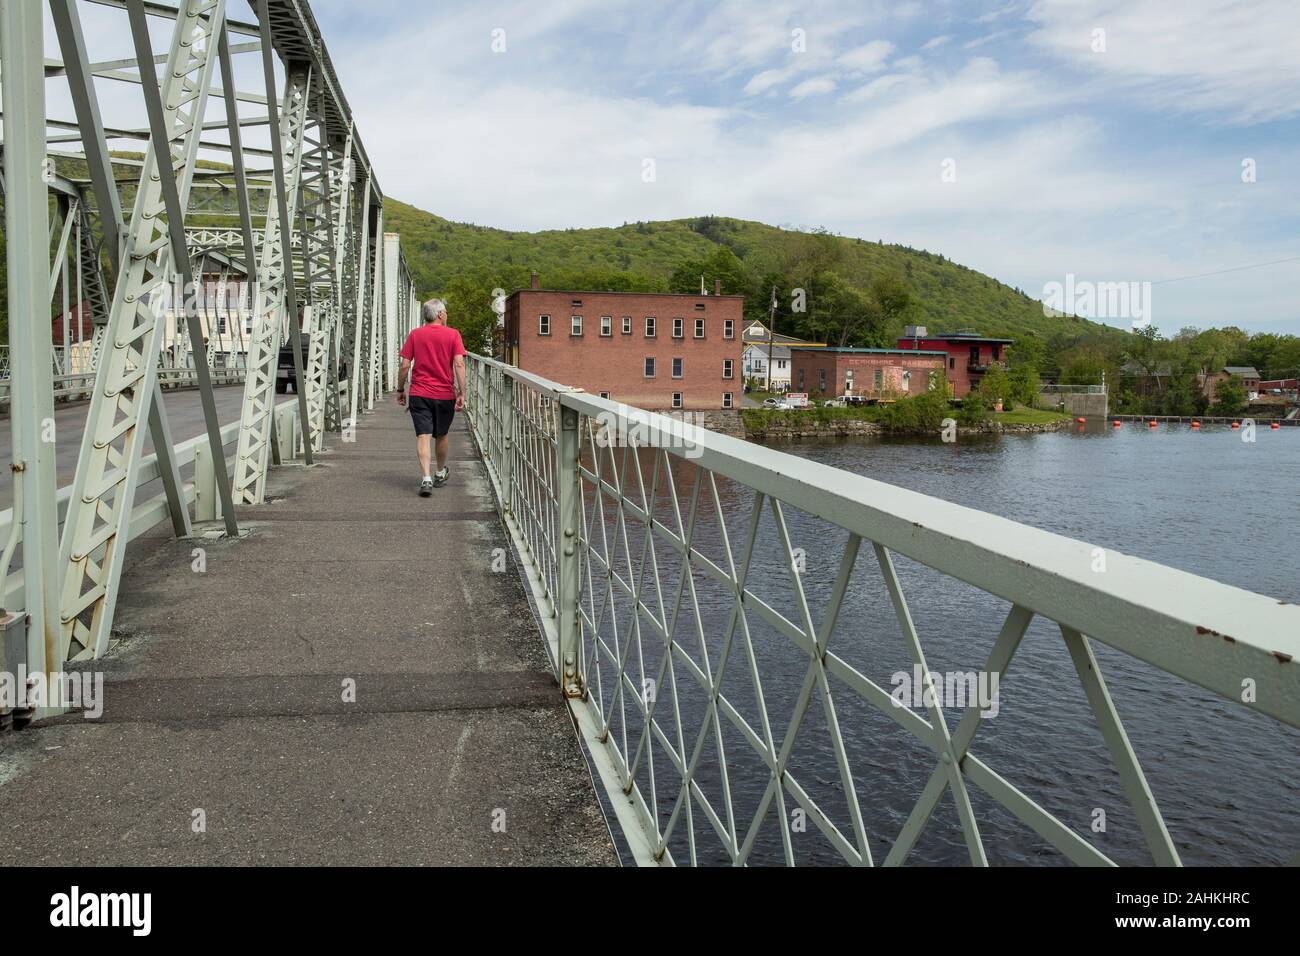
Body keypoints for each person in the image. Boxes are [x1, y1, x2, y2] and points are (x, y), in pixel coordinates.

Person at [396, 299, 466, 496]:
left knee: (423, 435)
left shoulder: (415, 335)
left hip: (419, 393)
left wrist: (400, 389)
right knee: (441, 434)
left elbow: (404, 365)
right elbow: (459, 365)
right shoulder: (453, 334)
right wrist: (462, 393)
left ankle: (425, 478)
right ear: (440, 314)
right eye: (446, 312)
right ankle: (439, 472)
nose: (447, 315)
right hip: (444, 394)